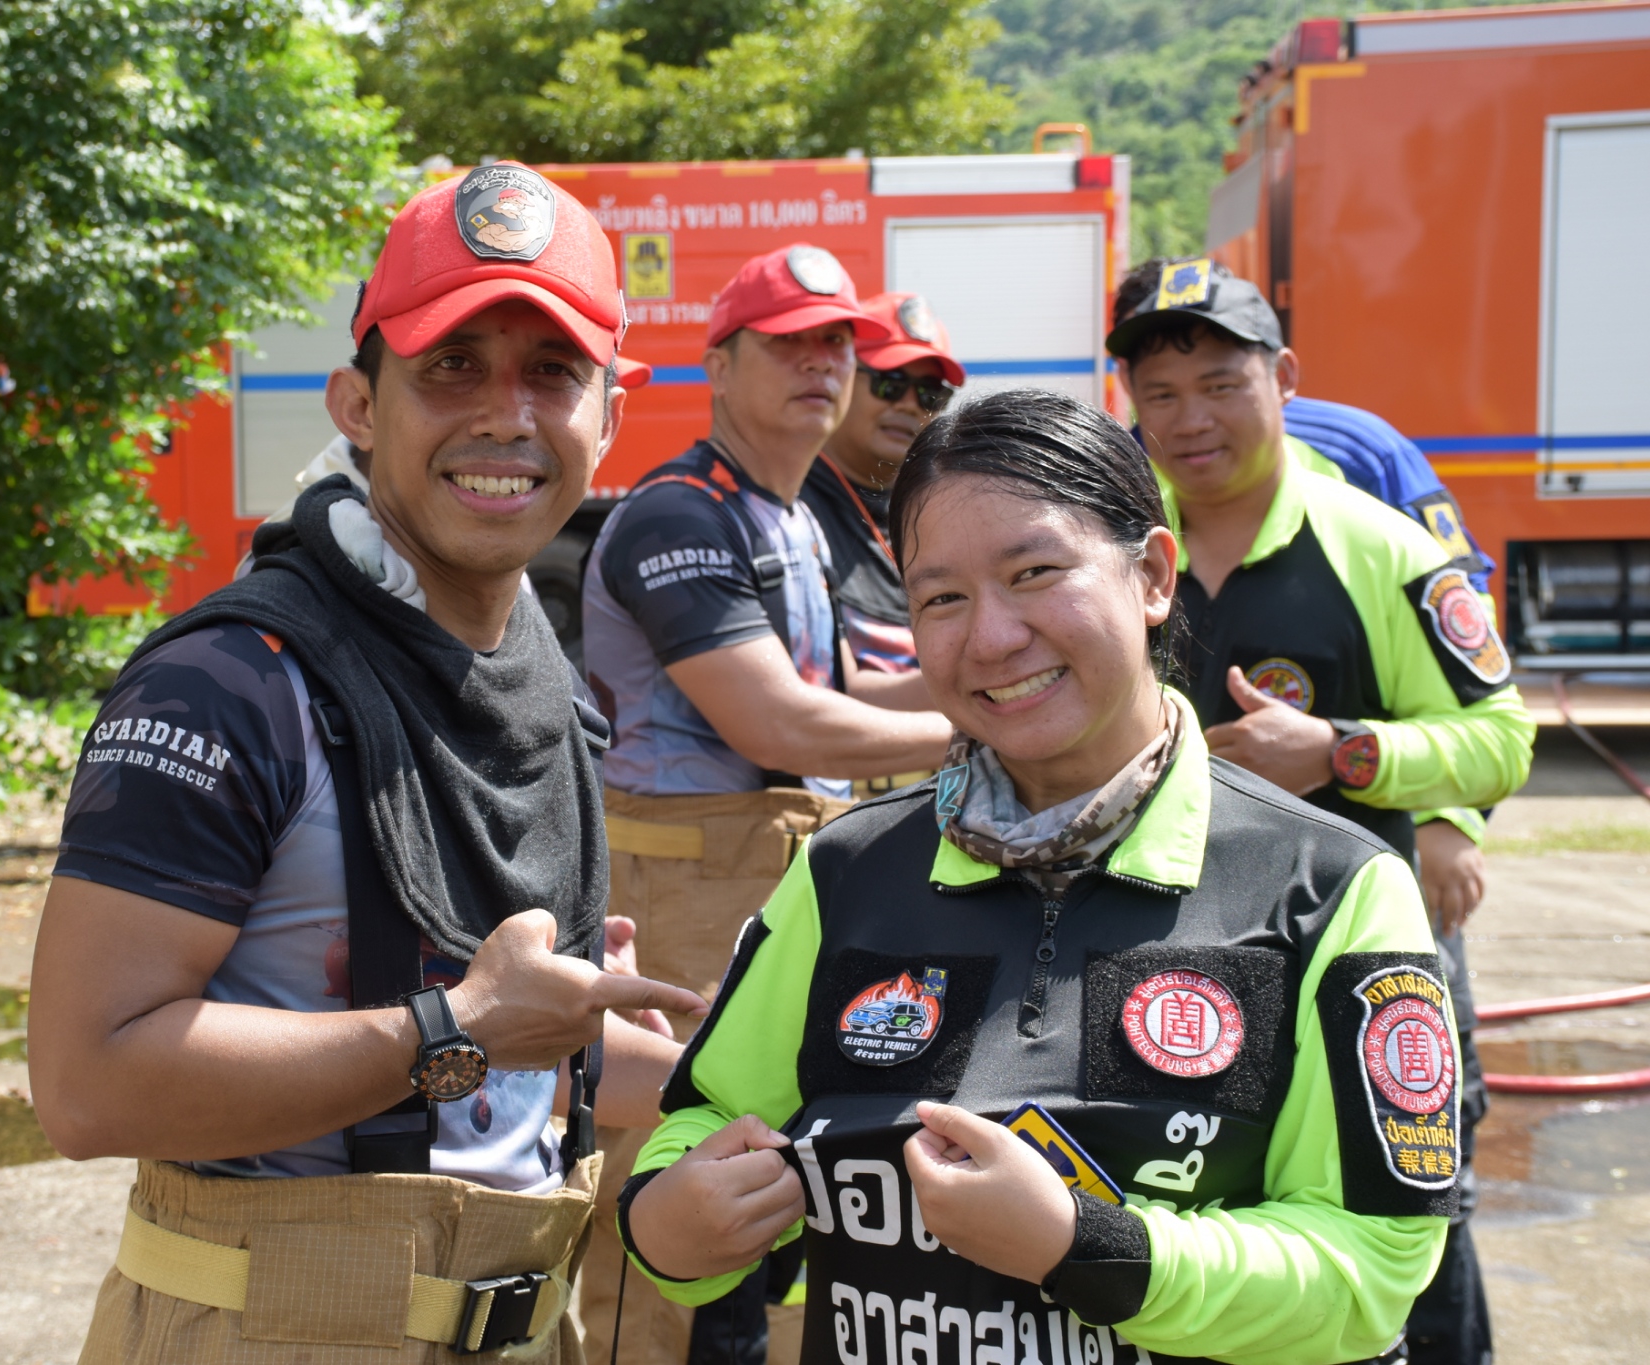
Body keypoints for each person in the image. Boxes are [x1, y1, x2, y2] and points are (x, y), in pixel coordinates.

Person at [619, 387, 1460, 1365]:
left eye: (1034, 573)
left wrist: (1085, 1246)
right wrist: (667, 1225)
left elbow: (1374, 1268)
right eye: (941, 598)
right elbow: (709, 1118)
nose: (990, 637)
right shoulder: (844, 868)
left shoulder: (1331, 886)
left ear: (1152, 575)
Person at [28, 162, 707, 1365]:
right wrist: (458, 1027)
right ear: (356, 404)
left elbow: (515, 1076)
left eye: (553, 371)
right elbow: (86, 1086)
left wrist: (781, 1083)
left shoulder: (542, 687)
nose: (504, 414)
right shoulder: (228, 685)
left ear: (610, 416)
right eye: (452, 365)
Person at [1109, 257, 1532, 1365]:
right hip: (1160, 962)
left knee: (1410, 1217)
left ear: (1284, 378)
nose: (1189, 420)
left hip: (1356, 956)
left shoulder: (1382, 549)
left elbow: (1500, 737)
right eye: (1160, 393)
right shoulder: (1107, 548)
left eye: (1220, 384)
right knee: (1203, 1229)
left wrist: (1343, 752)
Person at [579, 245, 953, 1365]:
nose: (822, 363)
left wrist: (1009, 683)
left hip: (776, 874)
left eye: (837, 342)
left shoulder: (783, 514)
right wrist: (980, 732)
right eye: (788, 342)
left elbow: (841, 694)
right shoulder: (677, 514)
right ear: (718, 363)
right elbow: (778, 725)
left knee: (767, 1189)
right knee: (658, 1186)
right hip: (680, 887)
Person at [799, 292, 962, 677]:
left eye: (930, 393)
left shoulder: (943, 511)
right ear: (841, 377)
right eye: (890, 383)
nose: (909, 405)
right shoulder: (789, 509)